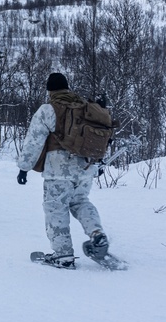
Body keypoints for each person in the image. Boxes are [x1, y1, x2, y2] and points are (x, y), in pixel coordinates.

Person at [17, 72, 108, 269]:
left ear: (50, 90)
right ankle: (97, 234)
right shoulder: (85, 106)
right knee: (81, 202)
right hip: (86, 167)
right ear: (67, 87)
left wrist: (24, 168)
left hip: (58, 170)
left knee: (55, 209)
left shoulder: (48, 109)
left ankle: (63, 255)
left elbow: (34, 141)